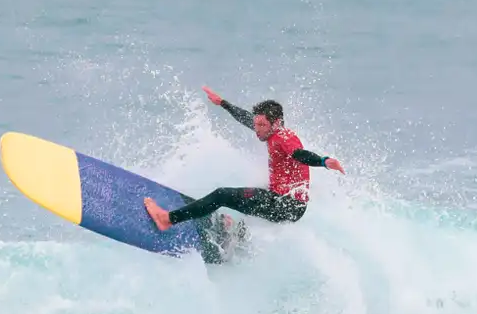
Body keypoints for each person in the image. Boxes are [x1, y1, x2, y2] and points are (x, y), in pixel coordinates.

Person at [144, 86, 345, 231]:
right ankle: (237, 234)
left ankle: (167, 219)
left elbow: (300, 155)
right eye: (256, 125)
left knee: (222, 194)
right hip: (284, 201)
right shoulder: (270, 131)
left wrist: (323, 161)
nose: (256, 130)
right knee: (247, 194)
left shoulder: (285, 138)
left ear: (276, 123)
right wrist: (222, 103)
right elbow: (245, 118)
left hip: (286, 205)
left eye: (261, 126)